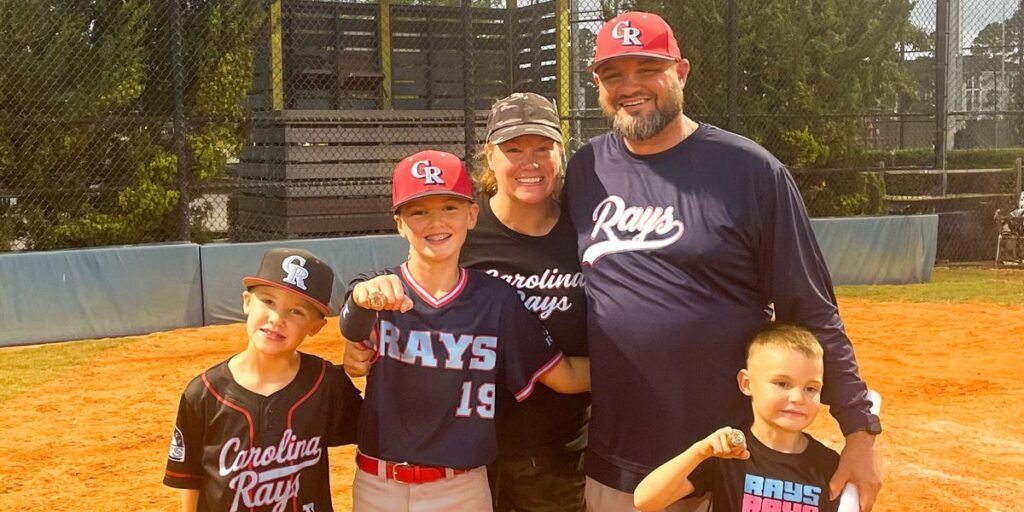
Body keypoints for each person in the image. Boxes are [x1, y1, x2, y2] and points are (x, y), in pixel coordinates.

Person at [563, 11, 883, 512]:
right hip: (617, 460)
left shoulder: (750, 171)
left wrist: (860, 432)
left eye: (647, 69)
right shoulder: (587, 169)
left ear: (681, 72)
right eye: (613, 74)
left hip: (729, 464)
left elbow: (812, 308)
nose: (629, 86)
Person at [338, 149, 591, 512]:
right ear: (399, 223)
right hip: (380, 486)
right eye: (419, 211)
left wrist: (642, 373)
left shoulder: (496, 301)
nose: (436, 222)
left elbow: (564, 376)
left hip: (461, 487)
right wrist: (361, 301)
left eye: (449, 208)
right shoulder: (381, 291)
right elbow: (352, 322)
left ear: (472, 215)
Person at [163, 247, 363, 512]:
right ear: (247, 301)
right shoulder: (204, 392)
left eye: (297, 312)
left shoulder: (327, 384)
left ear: (316, 327)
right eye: (268, 301)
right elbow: (190, 480)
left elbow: (380, 434)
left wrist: (372, 354)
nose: (277, 319)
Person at [634, 325, 840, 512]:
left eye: (811, 388)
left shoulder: (829, 465)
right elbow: (646, 500)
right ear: (747, 384)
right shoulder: (727, 454)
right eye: (782, 383)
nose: (798, 398)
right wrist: (700, 452)